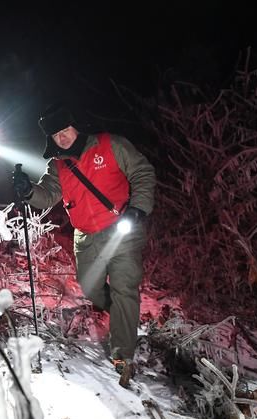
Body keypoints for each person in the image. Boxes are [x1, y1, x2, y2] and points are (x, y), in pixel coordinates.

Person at [13, 105, 156, 387]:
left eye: (65, 130)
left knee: (124, 286)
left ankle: (123, 354)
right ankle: (123, 315)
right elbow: (48, 195)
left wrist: (138, 208)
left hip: (121, 229)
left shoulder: (111, 145)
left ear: (75, 126)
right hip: (86, 235)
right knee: (90, 287)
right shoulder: (58, 165)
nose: (62, 138)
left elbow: (143, 172)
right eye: (56, 135)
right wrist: (28, 191)